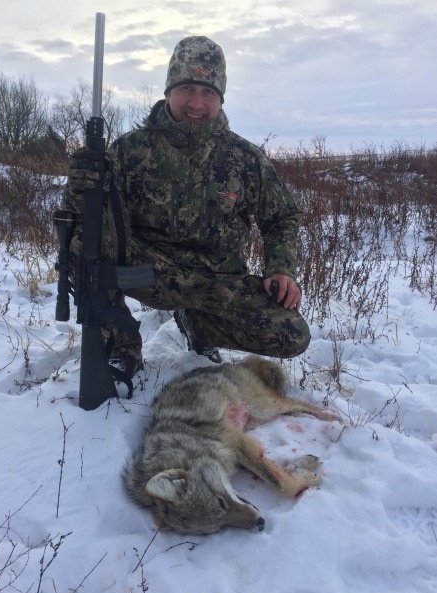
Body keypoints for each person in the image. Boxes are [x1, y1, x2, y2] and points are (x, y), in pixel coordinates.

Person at [65, 35, 310, 377]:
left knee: (291, 334)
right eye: (187, 89)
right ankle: (121, 345)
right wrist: (79, 186)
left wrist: (281, 267)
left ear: (220, 99)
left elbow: (282, 216)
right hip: (151, 274)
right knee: (81, 249)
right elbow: (86, 220)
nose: (196, 103)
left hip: (216, 284)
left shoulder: (245, 158)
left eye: (208, 92)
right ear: (168, 91)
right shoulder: (129, 151)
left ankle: (199, 325)